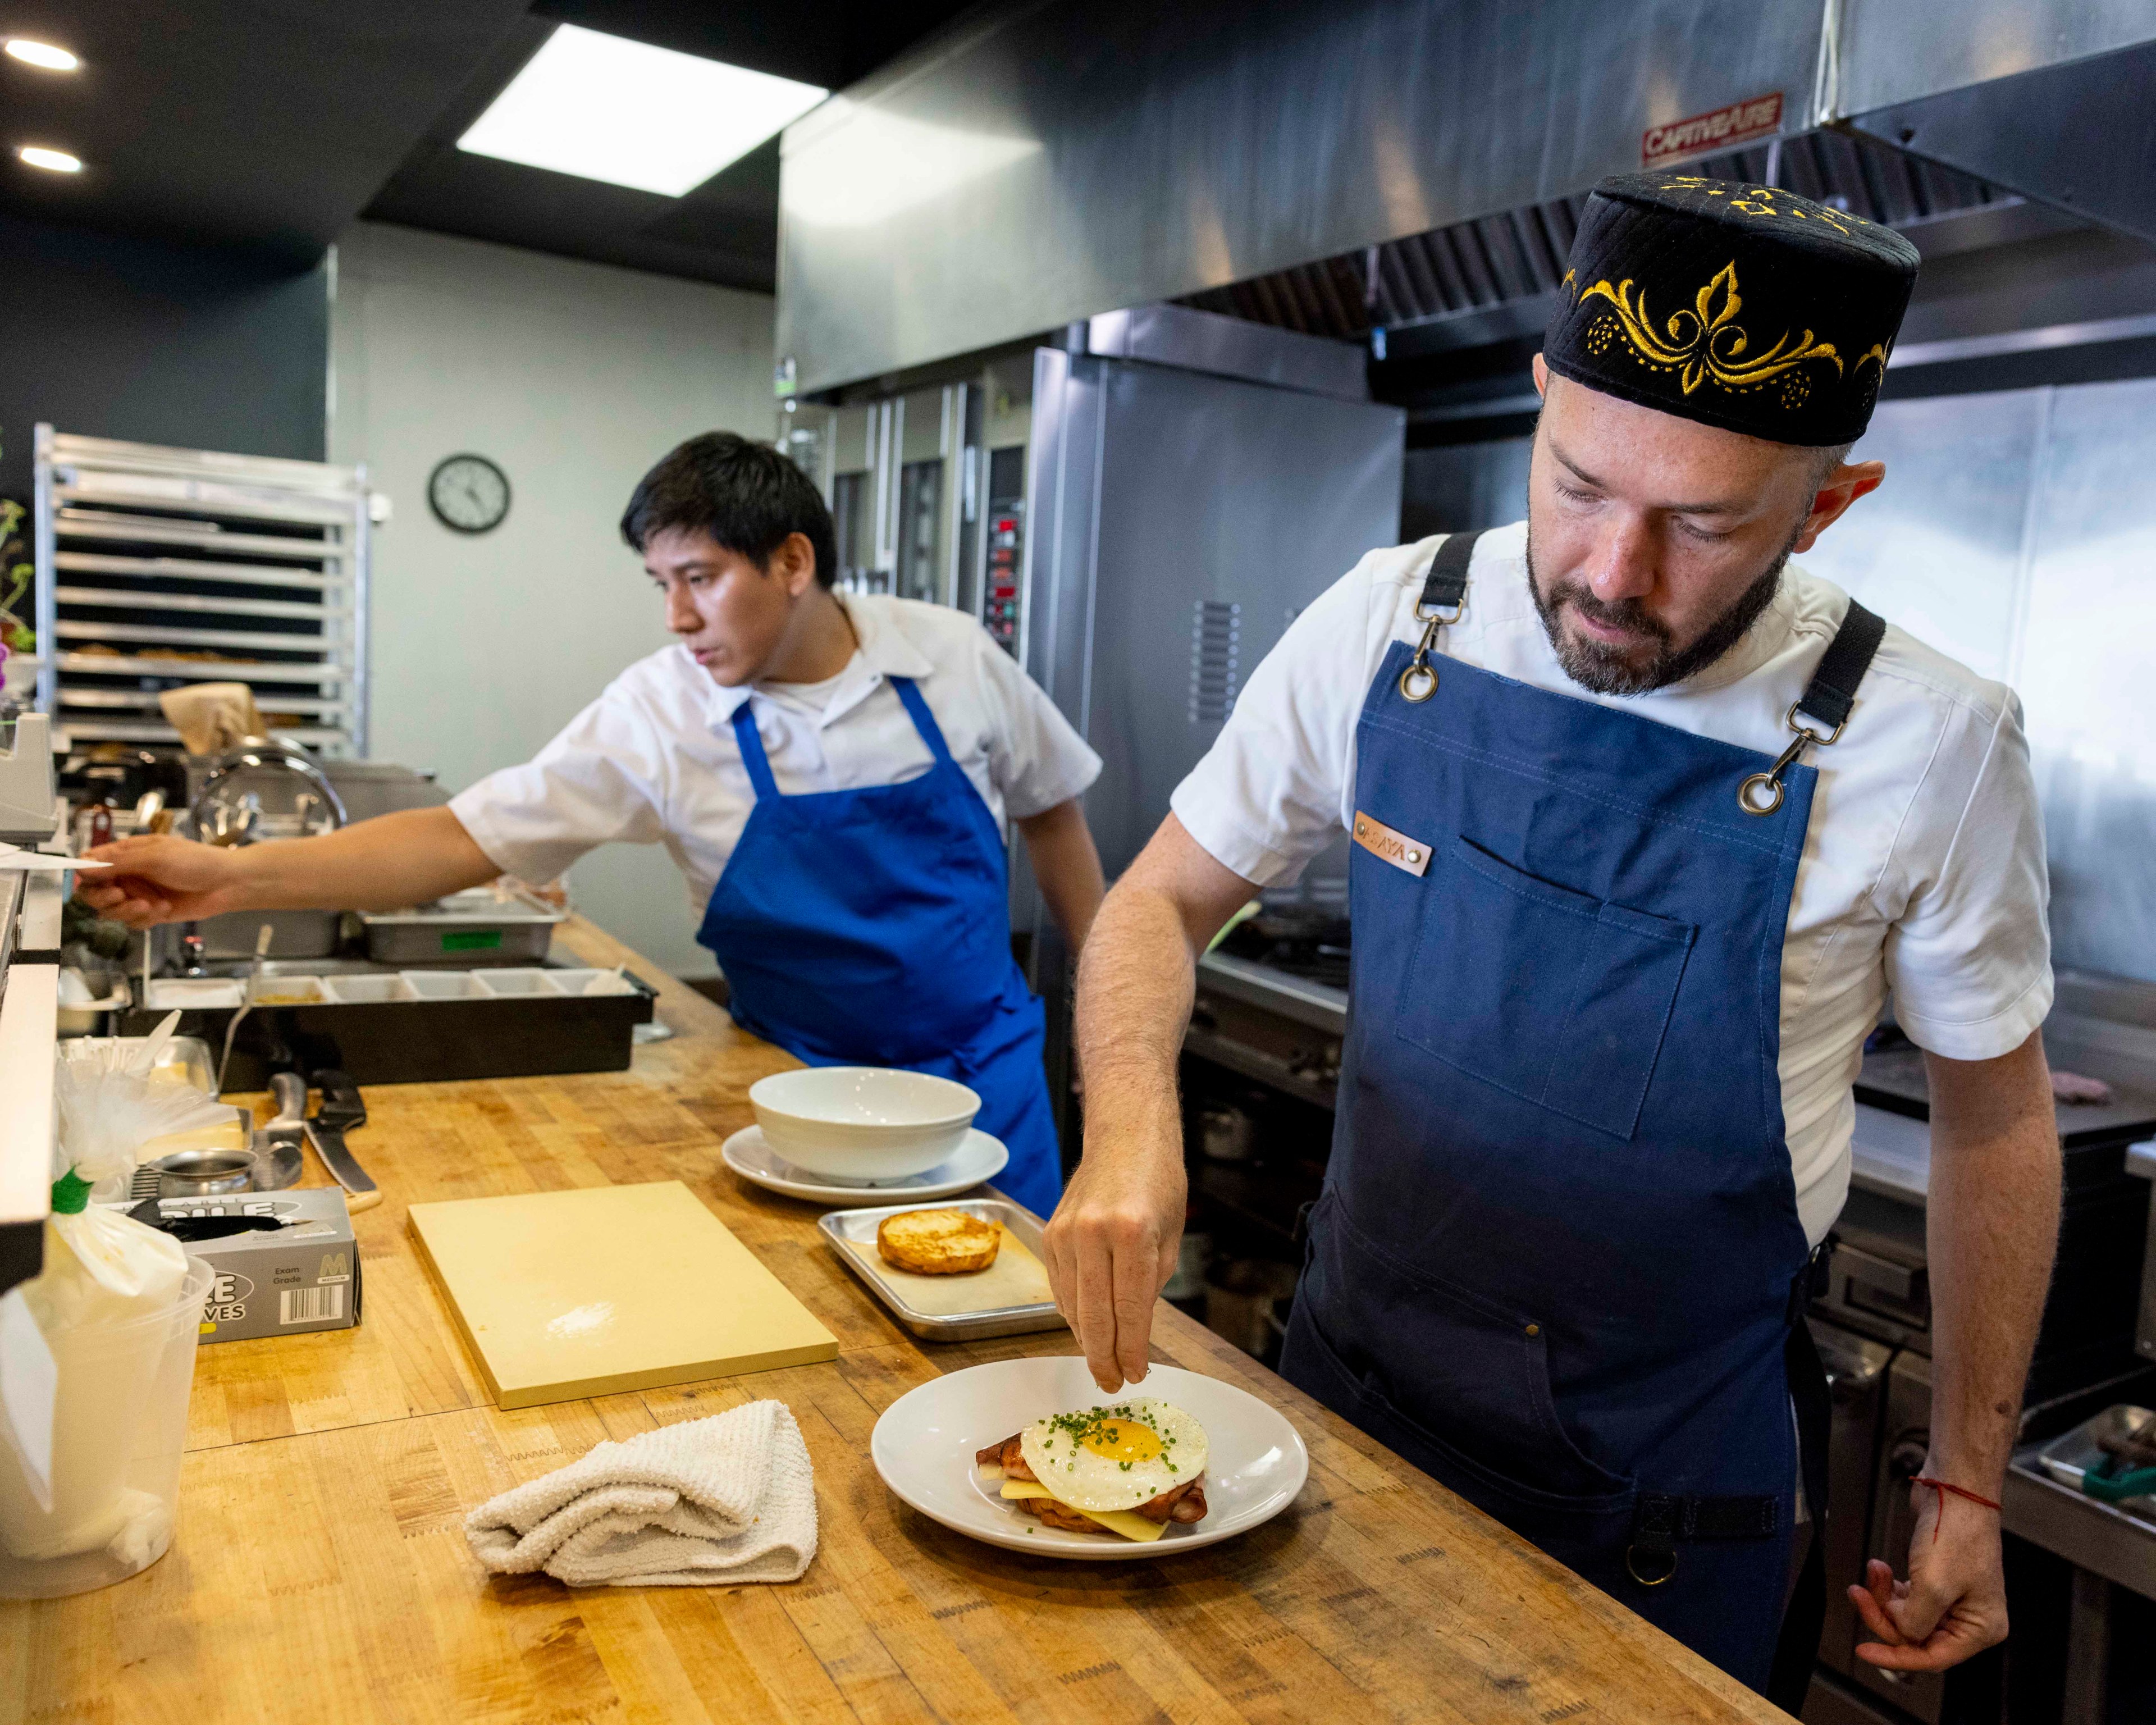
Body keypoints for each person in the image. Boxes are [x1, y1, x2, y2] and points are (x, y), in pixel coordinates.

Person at [1045, 174, 2058, 1708]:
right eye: (1578, 485)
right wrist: (1128, 1125)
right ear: (1539, 405)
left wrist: (1970, 1481)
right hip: (1340, 1413)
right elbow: (1156, 899)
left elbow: (1999, 1123)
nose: (1610, 574)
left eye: (1702, 525)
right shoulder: (1398, 619)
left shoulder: (1935, 743)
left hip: (1652, 1511)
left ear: (1829, 502)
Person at [81, 432, 1105, 1218]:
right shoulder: (659, 711)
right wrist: (225, 877)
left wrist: (1108, 1025)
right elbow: (458, 838)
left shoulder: (954, 658)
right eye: (661, 584)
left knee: (1014, 1325)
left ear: (793, 561)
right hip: (796, 1086)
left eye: (700, 578)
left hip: (985, 1080)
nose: (676, 617)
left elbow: (1053, 817)